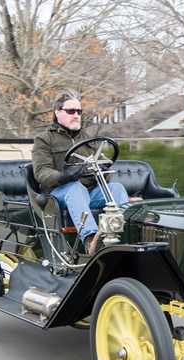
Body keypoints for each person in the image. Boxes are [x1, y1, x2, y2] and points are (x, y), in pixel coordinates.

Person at [31, 91, 128, 255]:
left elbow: (103, 165)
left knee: (116, 188)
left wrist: (103, 170)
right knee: (75, 187)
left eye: (79, 111)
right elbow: (41, 172)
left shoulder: (88, 139)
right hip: (58, 194)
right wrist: (63, 176)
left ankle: (126, 234)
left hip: (89, 193)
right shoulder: (44, 139)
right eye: (71, 111)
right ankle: (90, 241)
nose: (76, 115)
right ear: (58, 112)